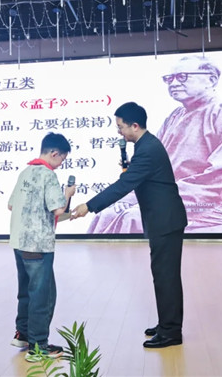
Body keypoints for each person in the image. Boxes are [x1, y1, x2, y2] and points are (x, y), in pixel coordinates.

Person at [87, 55, 222, 234]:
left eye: (182, 77)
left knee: (134, 217)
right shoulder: (175, 116)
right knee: (107, 213)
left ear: (211, 79)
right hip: (167, 193)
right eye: (169, 79)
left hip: (212, 202)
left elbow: (219, 180)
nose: (174, 83)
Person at [71, 102, 186, 348]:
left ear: (135, 126)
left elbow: (124, 186)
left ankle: (171, 332)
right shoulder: (145, 145)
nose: (119, 132)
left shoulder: (148, 149)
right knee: (163, 275)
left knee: (166, 276)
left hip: (165, 220)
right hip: (162, 219)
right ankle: (167, 324)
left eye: (120, 127)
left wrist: (89, 206)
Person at [8, 132, 76, 362]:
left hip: (19, 242)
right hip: (38, 245)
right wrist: (68, 194)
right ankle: (38, 347)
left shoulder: (25, 172)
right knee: (42, 295)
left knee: (26, 291)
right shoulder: (48, 175)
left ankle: (23, 334)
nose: (61, 163)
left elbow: (11, 205)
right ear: (55, 153)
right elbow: (58, 209)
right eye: (62, 159)